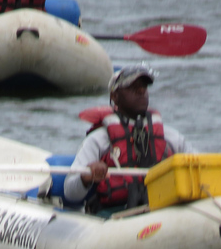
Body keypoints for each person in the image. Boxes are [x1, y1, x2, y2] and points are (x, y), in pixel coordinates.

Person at [64, 65, 196, 214]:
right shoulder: (98, 140)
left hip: (163, 208)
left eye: (144, 87)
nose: (141, 91)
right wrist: (86, 176)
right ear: (115, 96)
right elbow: (70, 192)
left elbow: (201, 170)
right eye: (132, 87)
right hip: (115, 214)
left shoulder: (171, 137)